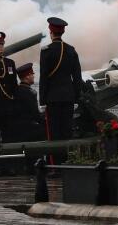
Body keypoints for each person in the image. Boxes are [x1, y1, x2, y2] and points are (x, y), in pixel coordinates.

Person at [39, 16, 83, 163]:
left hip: (52, 98)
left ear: (51, 32)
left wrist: (42, 99)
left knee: (54, 134)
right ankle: (67, 162)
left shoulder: (46, 51)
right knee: (67, 132)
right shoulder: (71, 51)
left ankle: (55, 164)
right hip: (69, 97)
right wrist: (77, 97)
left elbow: (44, 77)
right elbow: (77, 77)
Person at [11, 63, 46, 142]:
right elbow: (34, 113)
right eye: (32, 74)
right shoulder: (27, 92)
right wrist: (45, 120)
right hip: (29, 129)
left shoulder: (20, 89)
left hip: (22, 127)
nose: (33, 76)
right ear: (27, 76)